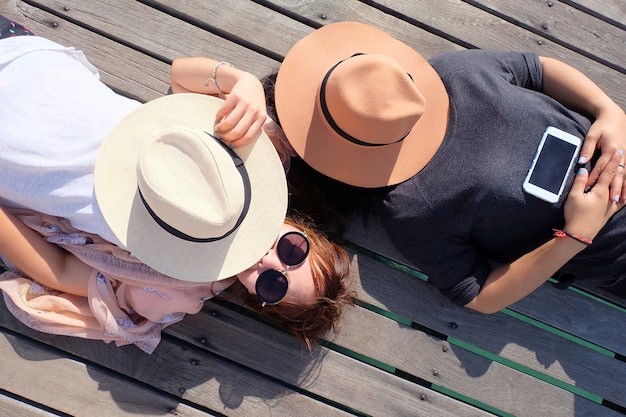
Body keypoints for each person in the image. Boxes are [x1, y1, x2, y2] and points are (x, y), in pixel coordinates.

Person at [0, 16, 353, 352]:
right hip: (25, 59)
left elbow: (58, 270)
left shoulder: (170, 288)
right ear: (303, 230)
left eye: (273, 285)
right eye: (293, 251)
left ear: (255, 297)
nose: (268, 261)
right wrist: (240, 82)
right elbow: (181, 77)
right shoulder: (260, 162)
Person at [271, 21, 626, 313]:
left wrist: (608, 110)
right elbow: (479, 295)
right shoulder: (411, 206)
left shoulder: (454, 73)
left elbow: (537, 69)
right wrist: (576, 236)